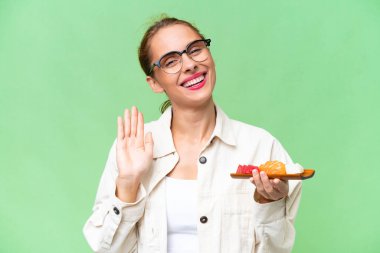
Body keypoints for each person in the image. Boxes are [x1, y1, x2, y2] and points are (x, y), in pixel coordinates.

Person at [83, 16, 303, 253]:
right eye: (170, 61)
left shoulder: (261, 146)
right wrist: (127, 183)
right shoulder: (131, 149)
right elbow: (108, 250)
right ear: (155, 83)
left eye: (195, 49)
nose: (189, 64)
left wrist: (270, 203)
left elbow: (277, 251)